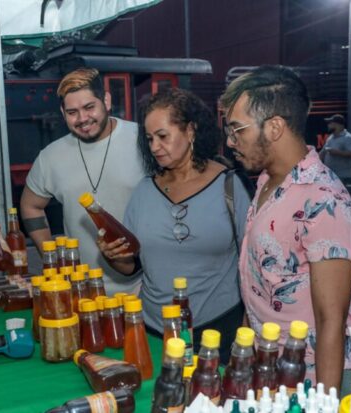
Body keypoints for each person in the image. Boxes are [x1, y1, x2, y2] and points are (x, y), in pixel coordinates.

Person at [220, 65, 351, 396]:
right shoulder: (267, 181)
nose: (231, 141)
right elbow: (256, 284)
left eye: (237, 130)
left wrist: (323, 404)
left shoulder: (323, 200)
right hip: (276, 367)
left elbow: (332, 321)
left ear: (274, 127)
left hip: (321, 378)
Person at [97, 88, 250, 360]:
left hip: (218, 330)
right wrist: (112, 256)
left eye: (163, 136)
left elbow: (253, 265)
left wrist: (249, 325)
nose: (154, 146)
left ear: (190, 131)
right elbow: (132, 267)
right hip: (154, 332)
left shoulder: (231, 186)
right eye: (149, 139)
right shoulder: (144, 191)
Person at [21, 67, 144, 294]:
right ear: (62, 112)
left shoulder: (143, 140)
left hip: (145, 287)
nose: (83, 119)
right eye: (72, 112)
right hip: (83, 292)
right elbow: (30, 206)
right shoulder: (51, 157)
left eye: (89, 107)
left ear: (106, 100)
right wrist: (51, 258)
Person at [319, 114, 351, 185]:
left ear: (338, 125)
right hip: (330, 174)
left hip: (342, 175)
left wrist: (337, 152)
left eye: (331, 123)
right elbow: (323, 152)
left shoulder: (348, 138)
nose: (328, 125)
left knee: (340, 196)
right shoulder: (330, 138)